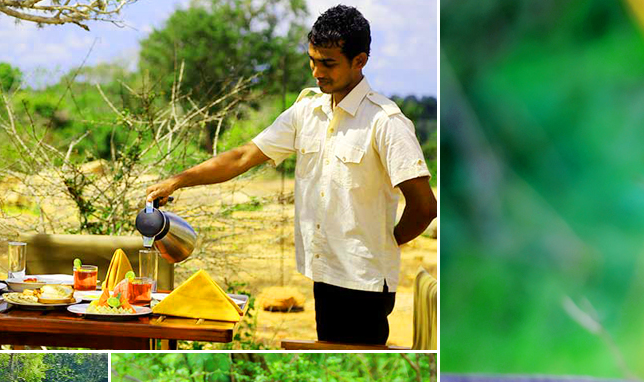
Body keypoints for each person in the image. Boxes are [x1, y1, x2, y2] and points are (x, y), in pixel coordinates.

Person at [146, 4, 437, 345]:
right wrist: (178, 180)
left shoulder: (386, 122)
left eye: (328, 63)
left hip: (364, 282)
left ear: (359, 61)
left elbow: (424, 206)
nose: (316, 71)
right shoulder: (306, 112)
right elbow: (241, 157)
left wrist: (385, 241)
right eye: (312, 60)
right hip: (324, 273)